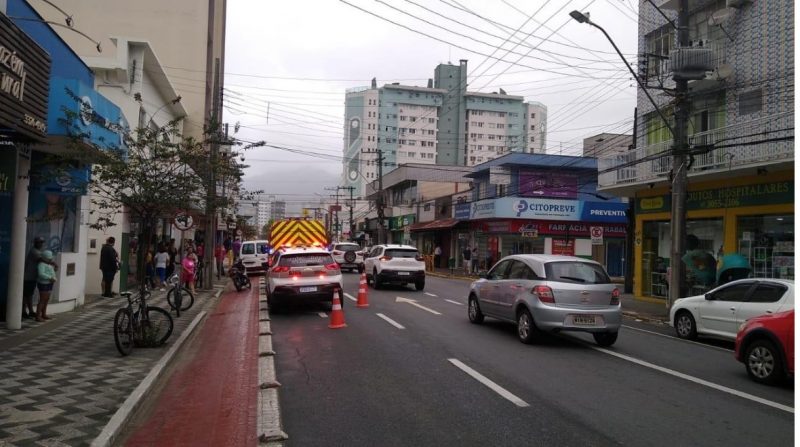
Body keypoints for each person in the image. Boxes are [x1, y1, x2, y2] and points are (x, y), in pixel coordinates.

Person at [22, 237, 47, 319]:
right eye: (39, 242)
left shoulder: (38, 251)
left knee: (29, 295)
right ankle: (24, 311)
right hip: (28, 277)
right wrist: (53, 263)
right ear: (35, 243)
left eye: (42, 242)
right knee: (26, 295)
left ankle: (30, 311)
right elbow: (43, 260)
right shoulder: (34, 251)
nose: (41, 244)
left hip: (32, 277)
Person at [36, 250, 57, 321]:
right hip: (43, 283)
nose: (50, 259)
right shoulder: (41, 265)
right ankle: (38, 316)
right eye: (49, 259)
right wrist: (50, 277)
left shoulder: (49, 264)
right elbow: (41, 274)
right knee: (42, 300)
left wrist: (55, 266)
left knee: (46, 299)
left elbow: (52, 271)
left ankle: (43, 314)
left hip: (49, 283)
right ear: (45, 258)